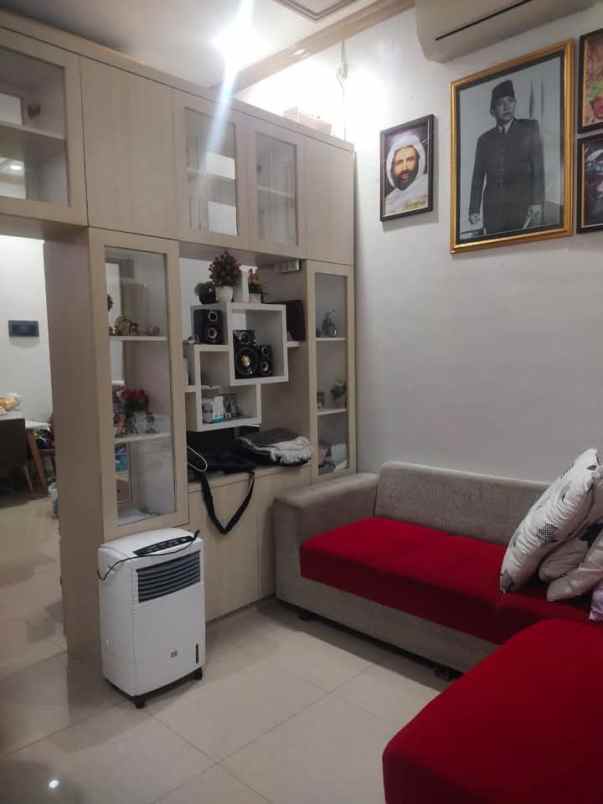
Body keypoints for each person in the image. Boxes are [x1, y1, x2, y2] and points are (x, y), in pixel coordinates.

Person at [469, 79, 544, 235]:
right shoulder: (484, 140)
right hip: (493, 209)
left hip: (522, 206)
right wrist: (474, 209)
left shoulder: (529, 129)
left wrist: (537, 201)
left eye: (510, 101)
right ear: (492, 111)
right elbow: (478, 176)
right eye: (500, 103)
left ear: (515, 103)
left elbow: (538, 168)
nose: (506, 107)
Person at [384, 132, 429, 216]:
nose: (404, 168)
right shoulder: (388, 202)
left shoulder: (427, 186)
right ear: (392, 167)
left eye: (410, 160)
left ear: (418, 161)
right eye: (399, 162)